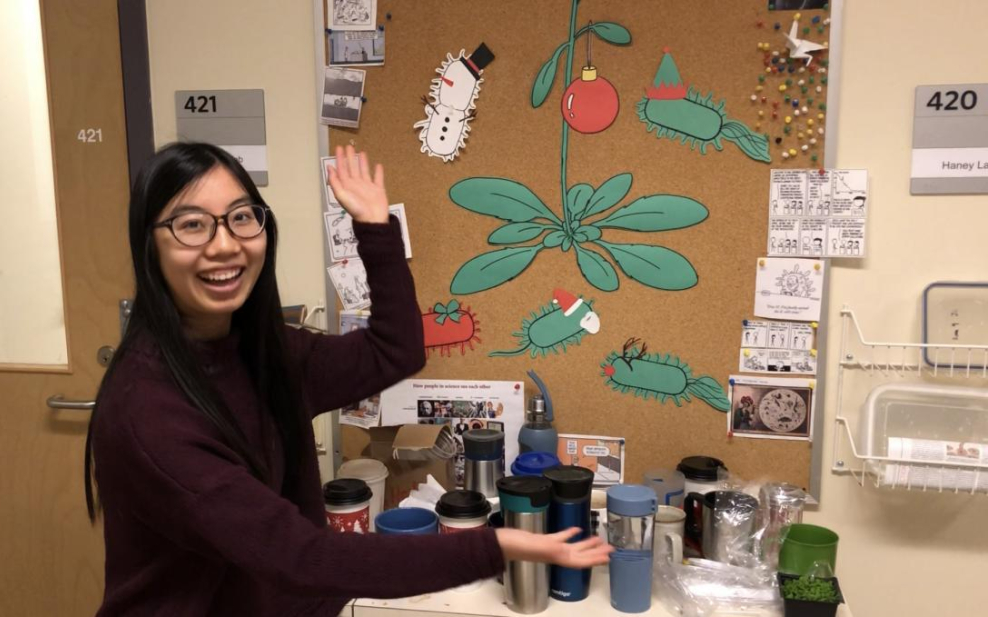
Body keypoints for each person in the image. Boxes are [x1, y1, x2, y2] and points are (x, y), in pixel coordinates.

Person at [83, 143, 611, 615]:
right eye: (192, 224)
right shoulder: (149, 413)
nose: (225, 245)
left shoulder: (263, 351)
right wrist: (497, 545)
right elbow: (302, 556)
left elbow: (394, 352)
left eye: (241, 217)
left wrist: (376, 229)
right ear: (148, 245)